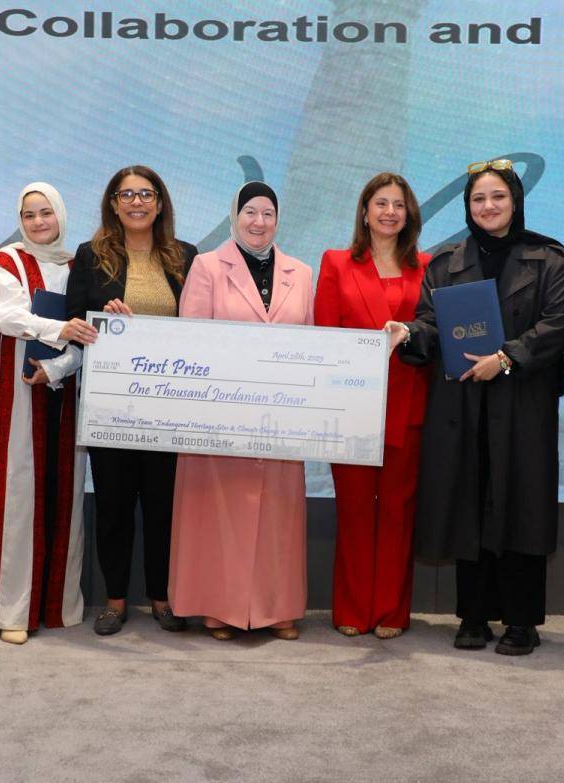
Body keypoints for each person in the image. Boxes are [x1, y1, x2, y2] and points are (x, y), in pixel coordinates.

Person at [387, 159, 564, 655]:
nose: (488, 206)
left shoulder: (549, 257)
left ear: (515, 201)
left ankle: (521, 622)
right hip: (463, 404)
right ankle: (472, 615)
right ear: (468, 207)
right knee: (468, 503)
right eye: (478, 199)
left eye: (498, 196)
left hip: (523, 403)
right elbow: (430, 323)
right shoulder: (446, 262)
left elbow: (559, 323)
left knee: (521, 506)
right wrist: (409, 332)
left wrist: (506, 358)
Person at [169, 181, 314, 641]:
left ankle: (278, 608)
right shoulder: (207, 266)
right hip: (220, 418)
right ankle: (219, 608)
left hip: (281, 417)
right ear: (235, 216)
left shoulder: (301, 272)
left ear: (278, 219)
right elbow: (191, 342)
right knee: (219, 515)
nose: (258, 221)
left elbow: (313, 346)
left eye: (268, 213)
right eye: (250, 211)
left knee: (278, 517)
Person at [65, 165, 197, 635]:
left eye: (146, 194)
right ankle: (115, 600)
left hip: (169, 406)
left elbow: (202, 325)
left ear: (160, 204)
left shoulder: (186, 256)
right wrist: (100, 317)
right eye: (127, 194)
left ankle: (163, 597)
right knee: (114, 506)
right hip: (111, 406)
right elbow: (72, 322)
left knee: (163, 506)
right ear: (113, 203)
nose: (137, 202)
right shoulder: (90, 256)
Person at [0, 182, 96, 645]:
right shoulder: (7, 260)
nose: (38, 222)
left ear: (60, 215)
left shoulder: (78, 265)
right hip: (18, 392)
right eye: (29, 214)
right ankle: (14, 609)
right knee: (19, 496)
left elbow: (90, 334)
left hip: (64, 388)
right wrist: (60, 328)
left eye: (46, 212)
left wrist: (57, 367)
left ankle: (56, 604)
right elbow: (8, 317)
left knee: (63, 494)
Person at [314, 173, 430, 640]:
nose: (389, 212)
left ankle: (391, 611)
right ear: (364, 212)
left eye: (398, 205)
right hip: (351, 406)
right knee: (356, 508)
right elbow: (325, 337)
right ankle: (353, 606)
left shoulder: (428, 266)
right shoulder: (336, 262)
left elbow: (431, 332)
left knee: (398, 510)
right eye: (380, 203)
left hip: (408, 402)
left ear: (409, 214)